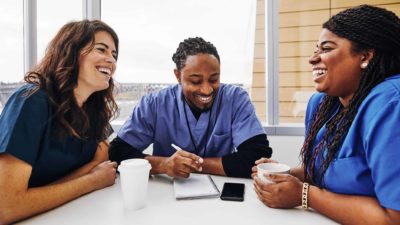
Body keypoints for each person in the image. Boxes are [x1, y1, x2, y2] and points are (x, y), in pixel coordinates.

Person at [252, 5, 400, 224]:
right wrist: (285, 175)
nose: (313, 59)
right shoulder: (322, 104)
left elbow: (393, 218)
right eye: (316, 49)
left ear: (365, 56)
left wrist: (304, 195)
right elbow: (322, 172)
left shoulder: (390, 103)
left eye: (326, 49)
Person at [0, 20, 119, 224]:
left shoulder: (95, 111)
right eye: (102, 50)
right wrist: (90, 181)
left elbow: (101, 162)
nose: (111, 60)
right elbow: (6, 207)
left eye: (114, 55)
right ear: (71, 52)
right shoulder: (30, 101)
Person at [109, 37, 272, 178]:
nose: (207, 90)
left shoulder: (235, 99)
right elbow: (118, 153)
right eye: (195, 81)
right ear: (178, 75)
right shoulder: (155, 104)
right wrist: (164, 165)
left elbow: (257, 159)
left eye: (214, 79)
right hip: (165, 192)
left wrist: (195, 166)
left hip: (221, 193)